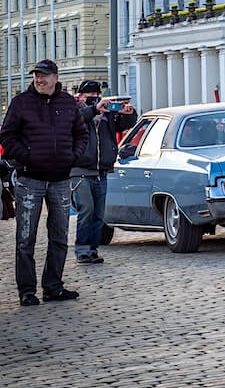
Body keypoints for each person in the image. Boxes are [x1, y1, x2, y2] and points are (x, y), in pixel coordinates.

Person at [0, 60, 89, 306]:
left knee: (59, 236)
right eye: (37, 75)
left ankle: (53, 287)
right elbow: (6, 135)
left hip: (60, 179)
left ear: (55, 77)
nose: (40, 79)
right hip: (30, 179)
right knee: (25, 238)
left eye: (44, 76)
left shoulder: (68, 103)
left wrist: (73, 156)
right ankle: (27, 292)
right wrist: (27, 156)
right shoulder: (21, 103)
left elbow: (82, 133)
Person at [71, 81, 137, 265]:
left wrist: (129, 114)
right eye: (89, 95)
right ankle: (82, 251)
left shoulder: (106, 113)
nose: (94, 97)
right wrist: (94, 109)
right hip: (80, 170)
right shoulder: (74, 109)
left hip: (102, 170)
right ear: (81, 97)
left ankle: (92, 250)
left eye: (96, 94)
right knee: (86, 210)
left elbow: (123, 125)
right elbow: (73, 121)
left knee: (99, 214)